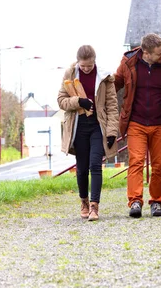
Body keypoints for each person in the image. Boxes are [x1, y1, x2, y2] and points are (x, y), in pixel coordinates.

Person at [114, 33, 161, 218]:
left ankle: (156, 202)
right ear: (146, 53)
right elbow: (113, 85)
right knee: (136, 162)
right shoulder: (128, 63)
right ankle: (135, 202)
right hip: (136, 122)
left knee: (159, 166)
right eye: (159, 53)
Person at [58, 45, 119, 221]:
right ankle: (84, 201)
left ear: (94, 62)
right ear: (78, 62)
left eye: (89, 66)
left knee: (95, 165)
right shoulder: (70, 74)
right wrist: (79, 102)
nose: (86, 69)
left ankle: (94, 206)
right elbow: (61, 101)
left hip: (97, 126)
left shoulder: (105, 77)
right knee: (82, 168)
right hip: (78, 127)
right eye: (83, 66)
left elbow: (112, 106)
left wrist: (112, 132)